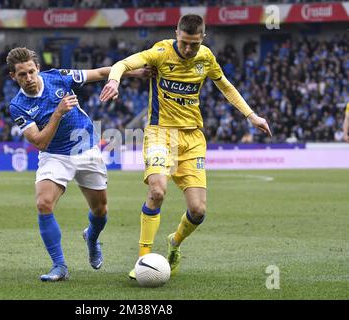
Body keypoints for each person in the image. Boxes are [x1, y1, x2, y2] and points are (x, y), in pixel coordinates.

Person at [99, 14, 272, 279]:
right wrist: (114, 80)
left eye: (194, 43)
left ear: (203, 37)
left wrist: (252, 116)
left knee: (198, 210)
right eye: (184, 42)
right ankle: (143, 258)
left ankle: (175, 242)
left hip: (192, 139)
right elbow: (123, 63)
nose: (188, 49)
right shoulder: (161, 52)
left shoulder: (206, 57)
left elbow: (225, 86)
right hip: (160, 134)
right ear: (176, 33)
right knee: (157, 191)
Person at [7, 47, 149, 282]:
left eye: (31, 72)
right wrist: (58, 113)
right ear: (13, 76)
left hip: (86, 149)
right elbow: (40, 143)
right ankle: (59, 266)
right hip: (54, 155)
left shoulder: (57, 77)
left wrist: (135, 73)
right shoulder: (18, 105)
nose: (29, 78)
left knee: (100, 211)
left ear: (38, 69)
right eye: (22, 75)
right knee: (43, 203)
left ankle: (91, 237)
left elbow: (100, 72)